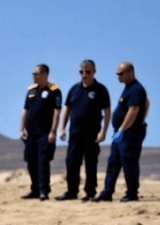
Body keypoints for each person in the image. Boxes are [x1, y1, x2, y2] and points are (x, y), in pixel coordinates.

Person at [92, 61, 149, 202]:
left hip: (130, 134)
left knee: (129, 163)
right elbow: (147, 102)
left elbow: (134, 110)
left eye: (121, 74)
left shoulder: (136, 89)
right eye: (117, 74)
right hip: (121, 134)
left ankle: (132, 193)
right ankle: (107, 191)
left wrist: (124, 128)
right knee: (113, 162)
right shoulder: (128, 88)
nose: (118, 77)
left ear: (130, 72)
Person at [56, 60, 111, 201]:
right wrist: (62, 128)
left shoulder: (101, 90)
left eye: (88, 72)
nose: (84, 75)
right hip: (75, 133)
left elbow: (107, 111)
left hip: (92, 134)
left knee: (90, 163)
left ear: (94, 72)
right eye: (82, 72)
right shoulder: (74, 89)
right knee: (72, 162)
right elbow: (67, 109)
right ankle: (71, 191)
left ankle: (90, 192)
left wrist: (103, 132)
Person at [19, 63, 63, 201]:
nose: (34, 76)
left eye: (36, 74)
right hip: (31, 133)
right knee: (31, 161)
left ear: (44, 74)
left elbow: (57, 113)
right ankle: (35, 189)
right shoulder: (31, 91)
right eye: (33, 74)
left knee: (43, 162)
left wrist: (53, 131)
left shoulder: (54, 91)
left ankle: (44, 190)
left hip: (45, 133)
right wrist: (21, 129)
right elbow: (25, 111)